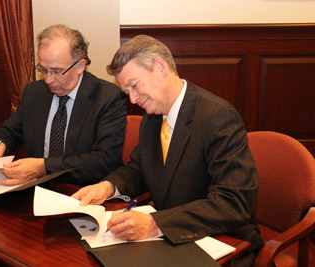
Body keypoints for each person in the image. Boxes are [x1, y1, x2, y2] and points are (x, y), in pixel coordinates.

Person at [72, 35, 263, 266]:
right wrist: (107, 187)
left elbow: (233, 203)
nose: (132, 99)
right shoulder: (152, 118)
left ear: (160, 66)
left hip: (224, 242)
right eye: (126, 91)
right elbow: (139, 168)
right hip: (170, 239)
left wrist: (156, 223)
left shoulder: (217, 117)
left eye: (134, 85)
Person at [0, 24, 127, 186]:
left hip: (85, 191)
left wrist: (43, 167)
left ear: (80, 66)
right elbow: (9, 131)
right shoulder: (34, 92)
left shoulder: (107, 97)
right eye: (43, 69)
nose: (48, 79)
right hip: (35, 189)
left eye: (56, 71)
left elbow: (103, 160)